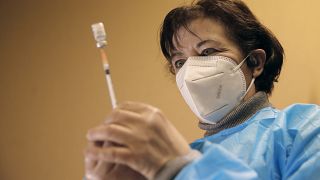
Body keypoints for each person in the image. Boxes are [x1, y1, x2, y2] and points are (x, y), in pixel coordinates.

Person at [84, 0, 320, 179]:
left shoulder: (304, 129)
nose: (190, 71)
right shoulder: (180, 157)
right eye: (180, 63)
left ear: (255, 63)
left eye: (207, 52)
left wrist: (179, 168)